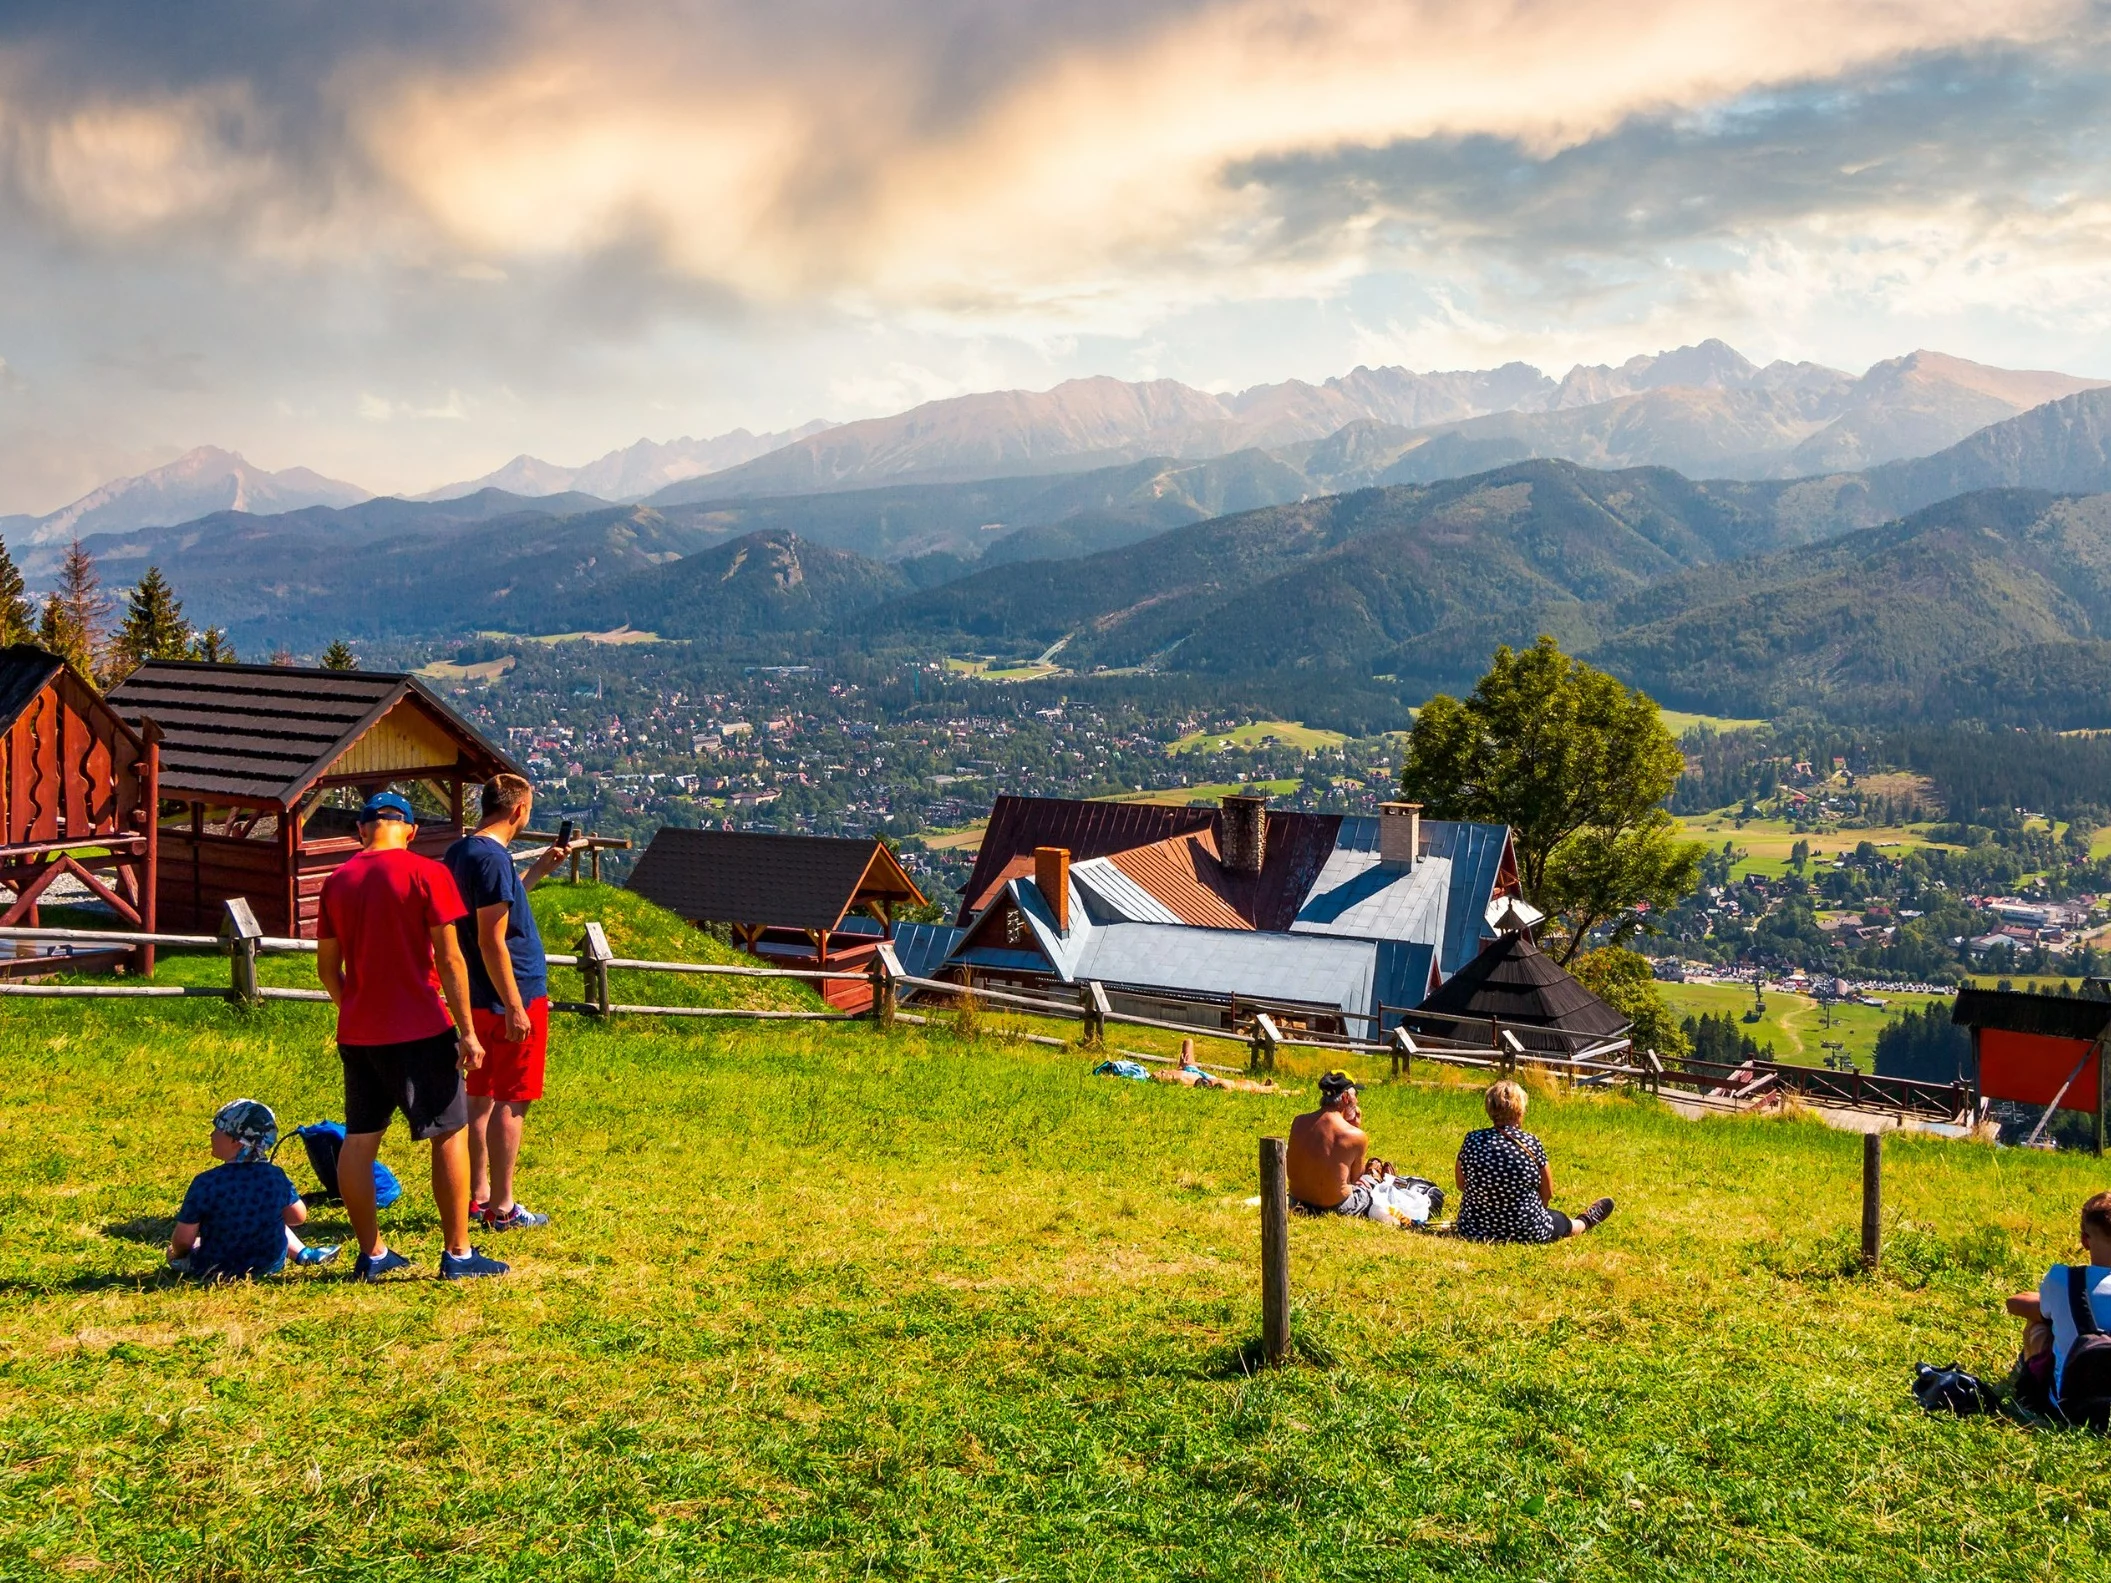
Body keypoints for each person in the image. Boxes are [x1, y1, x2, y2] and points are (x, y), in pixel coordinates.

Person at [316, 791, 507, 1281]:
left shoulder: (335, 882)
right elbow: (450, 958)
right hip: (421, 1026)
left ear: (361, 830)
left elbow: (326, 968)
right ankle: (458, 1254)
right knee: (449, 1133)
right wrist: (468, 1031)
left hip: (359, 1034)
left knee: (359, 1141)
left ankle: (373, 1254)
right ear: (410, 830)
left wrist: (356, 1008)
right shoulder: (427, 874)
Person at [443, 773, 577, 1231]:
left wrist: (538, 871)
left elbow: (494, 906)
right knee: (513, 1099)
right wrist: (517, 1005)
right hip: (509, 994)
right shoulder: (494, 859)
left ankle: (477, 1196)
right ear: (518, 810)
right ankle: (503, 1206)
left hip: (477, 996)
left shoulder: (462, 851)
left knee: (478, 1096)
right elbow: (492, 938)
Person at [167, 1100, 336, 1278]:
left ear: (236, 1141)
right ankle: (303, 1253)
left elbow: (183, 1240)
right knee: (272, 1217)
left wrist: (177, 1252)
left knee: (174, 1251)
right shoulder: (275, 1177)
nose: (211, 1135)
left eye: (218, 1130)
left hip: (215, 1265)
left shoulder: (206, 1182)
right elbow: (298, 1217)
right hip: (268, 1264)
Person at [1454, 1080, 1614, 1243]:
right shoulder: (1530, 1142)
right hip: (1526, 1231)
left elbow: (1461, 1184)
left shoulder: (1472, 1140)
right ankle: (1584, 1222)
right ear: (1520, 1110)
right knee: (1560, 1220)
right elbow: (1548, 1191)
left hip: (1474, 1228)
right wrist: (1537, 1211)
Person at [2006, 1191, 2111, 1415]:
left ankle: (2029, 1382)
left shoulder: (2063, 1280)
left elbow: (2016, 1304)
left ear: (2085, 1240)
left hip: (2067, 1406)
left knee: (2039, 1326)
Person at [1287, 1071, 1376, 1215]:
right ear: (1346, 1097)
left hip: (1297, 1202)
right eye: (1356, 1096)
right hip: (1337, 1206)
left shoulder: (1298, 1122)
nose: (1357, 1101)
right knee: (1369, 1182)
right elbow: (1355, 1180)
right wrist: (1354, 1128)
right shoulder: (1356, 1136)